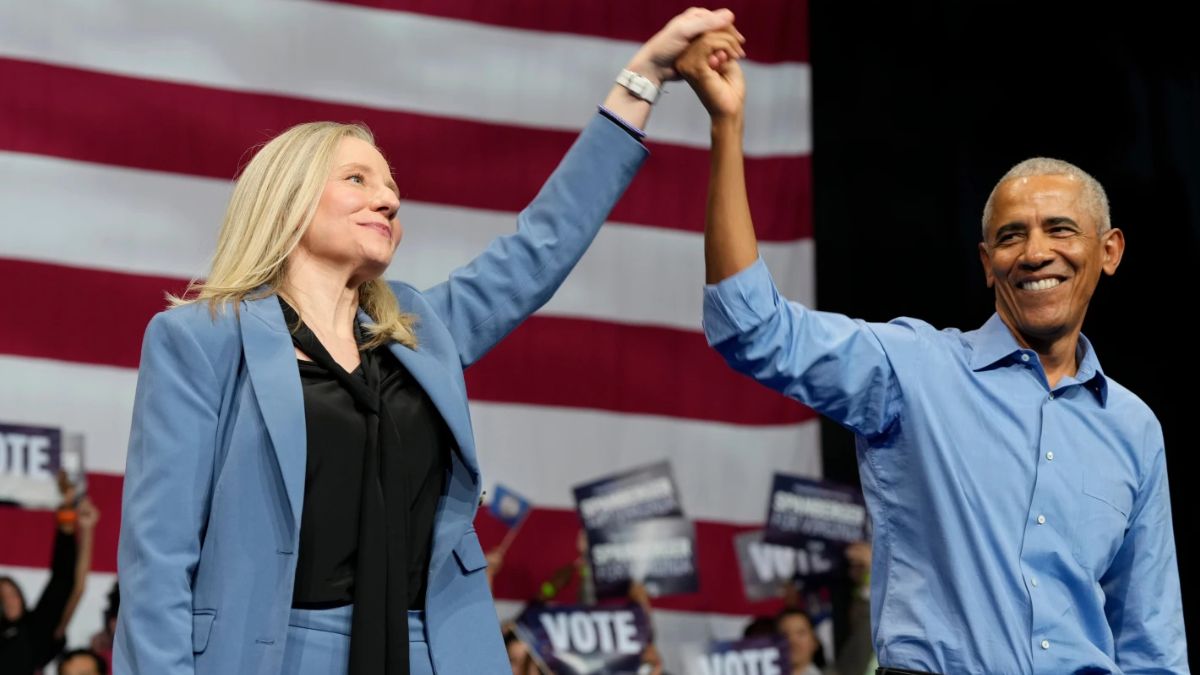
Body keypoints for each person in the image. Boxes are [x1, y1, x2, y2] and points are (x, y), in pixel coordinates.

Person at [113, 10, 745, 675]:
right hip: (266, 654)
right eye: (357, 179)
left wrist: (642, 78)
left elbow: (542, 244)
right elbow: (158, 558)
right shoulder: (200, 339)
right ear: (286, 200)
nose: (387, 199)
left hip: (431, 652)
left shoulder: (422, 331)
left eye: (391, 187)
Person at [675, 31, 1187, 674]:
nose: (1034, 253)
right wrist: (727, 126)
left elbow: (1152, 644)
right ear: (987, 263)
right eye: (1010, 236)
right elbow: (752, 328)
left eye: (1060, 229)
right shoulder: (913, 369)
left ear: (1108, 251)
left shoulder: (1134, 428)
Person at [0, 479, 99, 674]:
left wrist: (69, 513)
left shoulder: (36, 630)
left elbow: (69, 585)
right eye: (2, 597)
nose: (9, 600)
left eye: (13, 593)